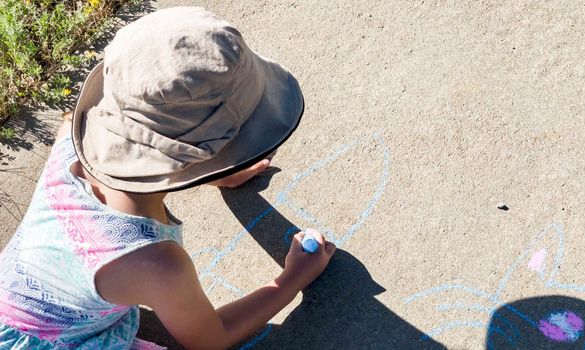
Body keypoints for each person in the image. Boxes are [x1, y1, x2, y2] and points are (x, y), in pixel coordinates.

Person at [0, 7, 336, 349]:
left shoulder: (74, 132)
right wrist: (292, 279)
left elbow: (145, 154)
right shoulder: (156, 263)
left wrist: (217, 174)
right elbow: (210, 339)